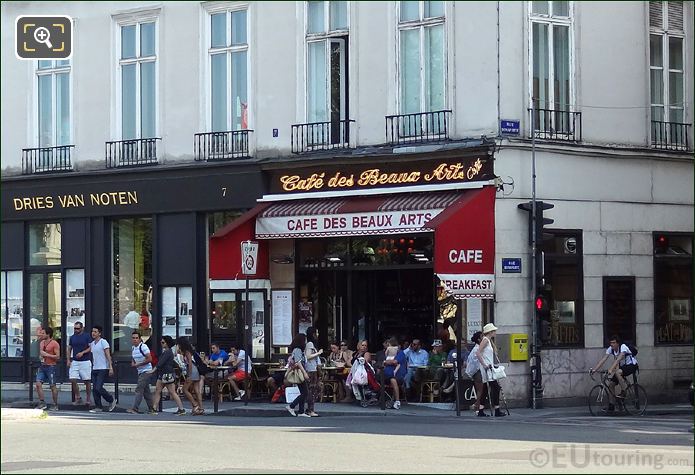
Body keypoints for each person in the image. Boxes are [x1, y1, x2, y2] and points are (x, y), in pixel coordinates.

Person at [590, 335, 639, 412]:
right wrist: (594, 370)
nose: (612, 344)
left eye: (614, 342)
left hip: (631, 365)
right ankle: (611, 406)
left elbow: (618, 359)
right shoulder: (611, 349)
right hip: (623, 368)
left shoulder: (623, 347)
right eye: (611, 343)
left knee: (617, 372)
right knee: (611, 385)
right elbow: (604, 359)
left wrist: (611, 369)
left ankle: (624, 391)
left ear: (618, 343)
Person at [149, 336, 186, 415]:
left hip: (165, 374)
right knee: (163, 391)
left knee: (165, 391)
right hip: (166, 373)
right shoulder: (168, 352)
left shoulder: (167, 352)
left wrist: (153, 370)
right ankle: (155, 408)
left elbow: (160, 363)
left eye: (163, 342)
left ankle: (154, 409)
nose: (161, 344)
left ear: (167, 343)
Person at [476, 323, 505, 417]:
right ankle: (496, 409)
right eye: (494, 331)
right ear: (490, 332)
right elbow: (478, 353)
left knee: (485, 388)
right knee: (496, 387)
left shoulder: (488, 340)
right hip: (487, 368)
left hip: (489, 367)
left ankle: (481, 410)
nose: (495, 332)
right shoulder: (485, 340)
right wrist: (484, 365)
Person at [88, 325, 117, 413]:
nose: (93, 333)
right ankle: (98, 406)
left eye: (95, 332)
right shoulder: (92, 343)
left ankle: (111, 399)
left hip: (103, 367)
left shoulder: (103, 342)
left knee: (98, 387)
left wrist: (110, 367)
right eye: (92, 331)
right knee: (94, 388)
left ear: (99, 333)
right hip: (95, 367)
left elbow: (108, 355)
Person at [127, 331, 155, 414]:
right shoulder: (133, 348)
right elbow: (133, 357)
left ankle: (135, 408)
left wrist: (139, 364)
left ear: (140, 339)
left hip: (147, 370)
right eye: (133, 338)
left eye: (136, 338)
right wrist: (133, 363)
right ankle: (152, 408)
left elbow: (150, 359)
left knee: (139, 389)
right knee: (146, 391)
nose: (135, 340)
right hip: (140, 371)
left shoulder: (143, 347)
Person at [67, 321, 92, 407]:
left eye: (78, 328)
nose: (76, 330)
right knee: (72, 378)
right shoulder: (72, 337)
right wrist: (68, 360)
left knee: (87, 380)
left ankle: (88, 398)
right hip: (75, 361)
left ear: (82, 328)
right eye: (75, 328)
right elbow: (69, 348)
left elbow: (90, 347)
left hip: (85, 360)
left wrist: (83, 352)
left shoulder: (87, 336)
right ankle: (78, 397)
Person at [285, 333, 311, 417]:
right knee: (305, 392)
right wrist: (304, 373)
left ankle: (301, 411)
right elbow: (298, 362)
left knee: (303, 392)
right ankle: (291, 406)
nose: (306, 342)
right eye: (305, 340)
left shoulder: (297, 350)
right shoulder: (297, 350)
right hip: (299, 372)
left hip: (300, 371)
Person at [35, 325, 60, 411]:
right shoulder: (42, 343)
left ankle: (55, 404)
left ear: (48, 334)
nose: (41, 335)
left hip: (51, 366)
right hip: (42, 366)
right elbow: (41, 353)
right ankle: (42, 402)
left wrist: (47, 355)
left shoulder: (54, 343)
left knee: (52, 386)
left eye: (43, 333)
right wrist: (41, 356)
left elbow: (57, 357)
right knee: (38, 384)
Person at [177, 337, 204, 415]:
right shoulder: (190, 350)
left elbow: (190, 364)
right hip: (196, 371)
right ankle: (201, 408)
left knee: (185, 389)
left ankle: (195, 405)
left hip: (192, 371)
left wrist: (189, 375)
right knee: (197, 390)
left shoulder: (187, 352)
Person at [304, 326, 324, 417]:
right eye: (316, 333)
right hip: (311, 369)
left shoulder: (310, 344)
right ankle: (310, 410)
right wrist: (318, 353)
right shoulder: (310, 344)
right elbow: (308, 356)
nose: (317, 335)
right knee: (312, 390)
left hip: (313, 369)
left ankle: (310, 409)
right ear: (313, 334)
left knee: (313, 390)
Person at [464, 331, 486, 413]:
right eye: (482, 337)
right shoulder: (478, 349)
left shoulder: (476, 348)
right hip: (478, 371)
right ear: (479, 339)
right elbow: (477, 362)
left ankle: (477, 405)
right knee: (481, 389)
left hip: (476, 371)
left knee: (480, 389)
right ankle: (477, 405)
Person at [382, 337, 406, 409]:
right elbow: (384, 362)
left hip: (398, 375)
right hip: (387, 374)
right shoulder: (388, 354)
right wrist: (387, 362)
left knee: (393, 379)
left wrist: (386, 362)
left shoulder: (401, 353)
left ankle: (397, 401)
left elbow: (395, 362)